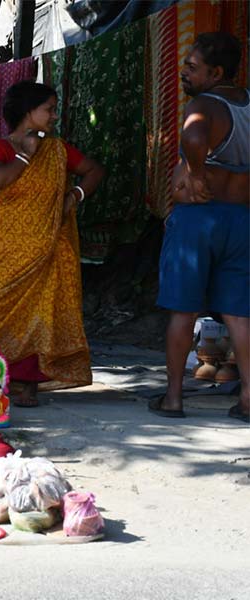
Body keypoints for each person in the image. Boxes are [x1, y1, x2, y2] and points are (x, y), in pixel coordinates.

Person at [0, 81, 104, 407]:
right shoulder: (0, 147)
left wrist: (74, 195)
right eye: (49, 109)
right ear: (28, 110)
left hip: (50, 245)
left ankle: (27, 380)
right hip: (11, 246)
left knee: (42, 310)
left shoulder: (57, 150)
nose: (54, 115)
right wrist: (25, 155)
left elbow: (94, 171)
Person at [152, 33, 249, 423]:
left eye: (192, 67)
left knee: (183, 311)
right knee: (241, 315)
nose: (184, 72)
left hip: (199, 219)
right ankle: (247, 400)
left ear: (216, 73)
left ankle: (173, 398)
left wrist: (193, 171)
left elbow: (193, 134)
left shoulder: (205, 104)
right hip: (241, 218)